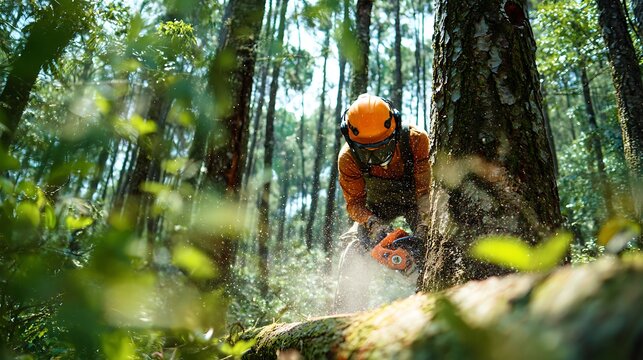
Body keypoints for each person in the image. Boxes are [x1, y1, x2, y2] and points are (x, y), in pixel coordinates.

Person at [334, 93, 431, 313]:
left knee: (434, 241)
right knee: (353, 248)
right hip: (376, 206)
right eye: (366, 151)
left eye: (381, 148)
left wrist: (424, 230)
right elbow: (354, 204)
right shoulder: (348, 159)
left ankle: (432, 300)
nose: (375, 156)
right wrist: (373, 224)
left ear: (394, 132)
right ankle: (346, 315)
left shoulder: (416, 140)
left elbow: (425, 192)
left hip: (416, 201)